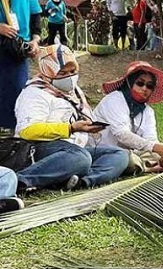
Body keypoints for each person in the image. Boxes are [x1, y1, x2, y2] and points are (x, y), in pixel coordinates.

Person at [14, 45, 128, 191]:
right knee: (81, 158)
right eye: (62, 73)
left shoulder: (74, 92)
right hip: (40, 148)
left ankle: (80, 182)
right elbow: (27, 131)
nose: (70, 77)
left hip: (74, 148)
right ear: (48, 72)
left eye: (73, 71)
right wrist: (71, 128)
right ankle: (21, 181)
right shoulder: (34, 93)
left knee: (118, 154)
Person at [92, 61, 163, 174]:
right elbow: (121, 135)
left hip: (131, 152)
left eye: (149, 86)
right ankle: (145, 167)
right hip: (101, 150)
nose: (144, 88)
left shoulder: (148, 112)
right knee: (128, 159)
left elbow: (151, 140)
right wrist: (155, 147)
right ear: (130, 83)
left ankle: (153, 165)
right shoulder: (114, 99)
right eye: (140, 83)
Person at [0, 0, 41, 135]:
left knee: (17, 95)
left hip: (16, 50)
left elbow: (35, 17)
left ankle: (13, 140)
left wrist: (35, 40)